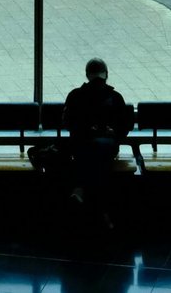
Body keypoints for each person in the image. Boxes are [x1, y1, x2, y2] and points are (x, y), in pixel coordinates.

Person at [62, 56, 132, 229]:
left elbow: (68, 122)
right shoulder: (115, 97)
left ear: (87, 75)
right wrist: (112, 132)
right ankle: (102, 211)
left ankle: (80, 190)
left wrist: (86, 130)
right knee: (99, 159)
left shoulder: (75, 96)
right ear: (106, 75)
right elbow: (125, 125)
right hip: (106, 148)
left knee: (89, 154)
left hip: (82, 147)